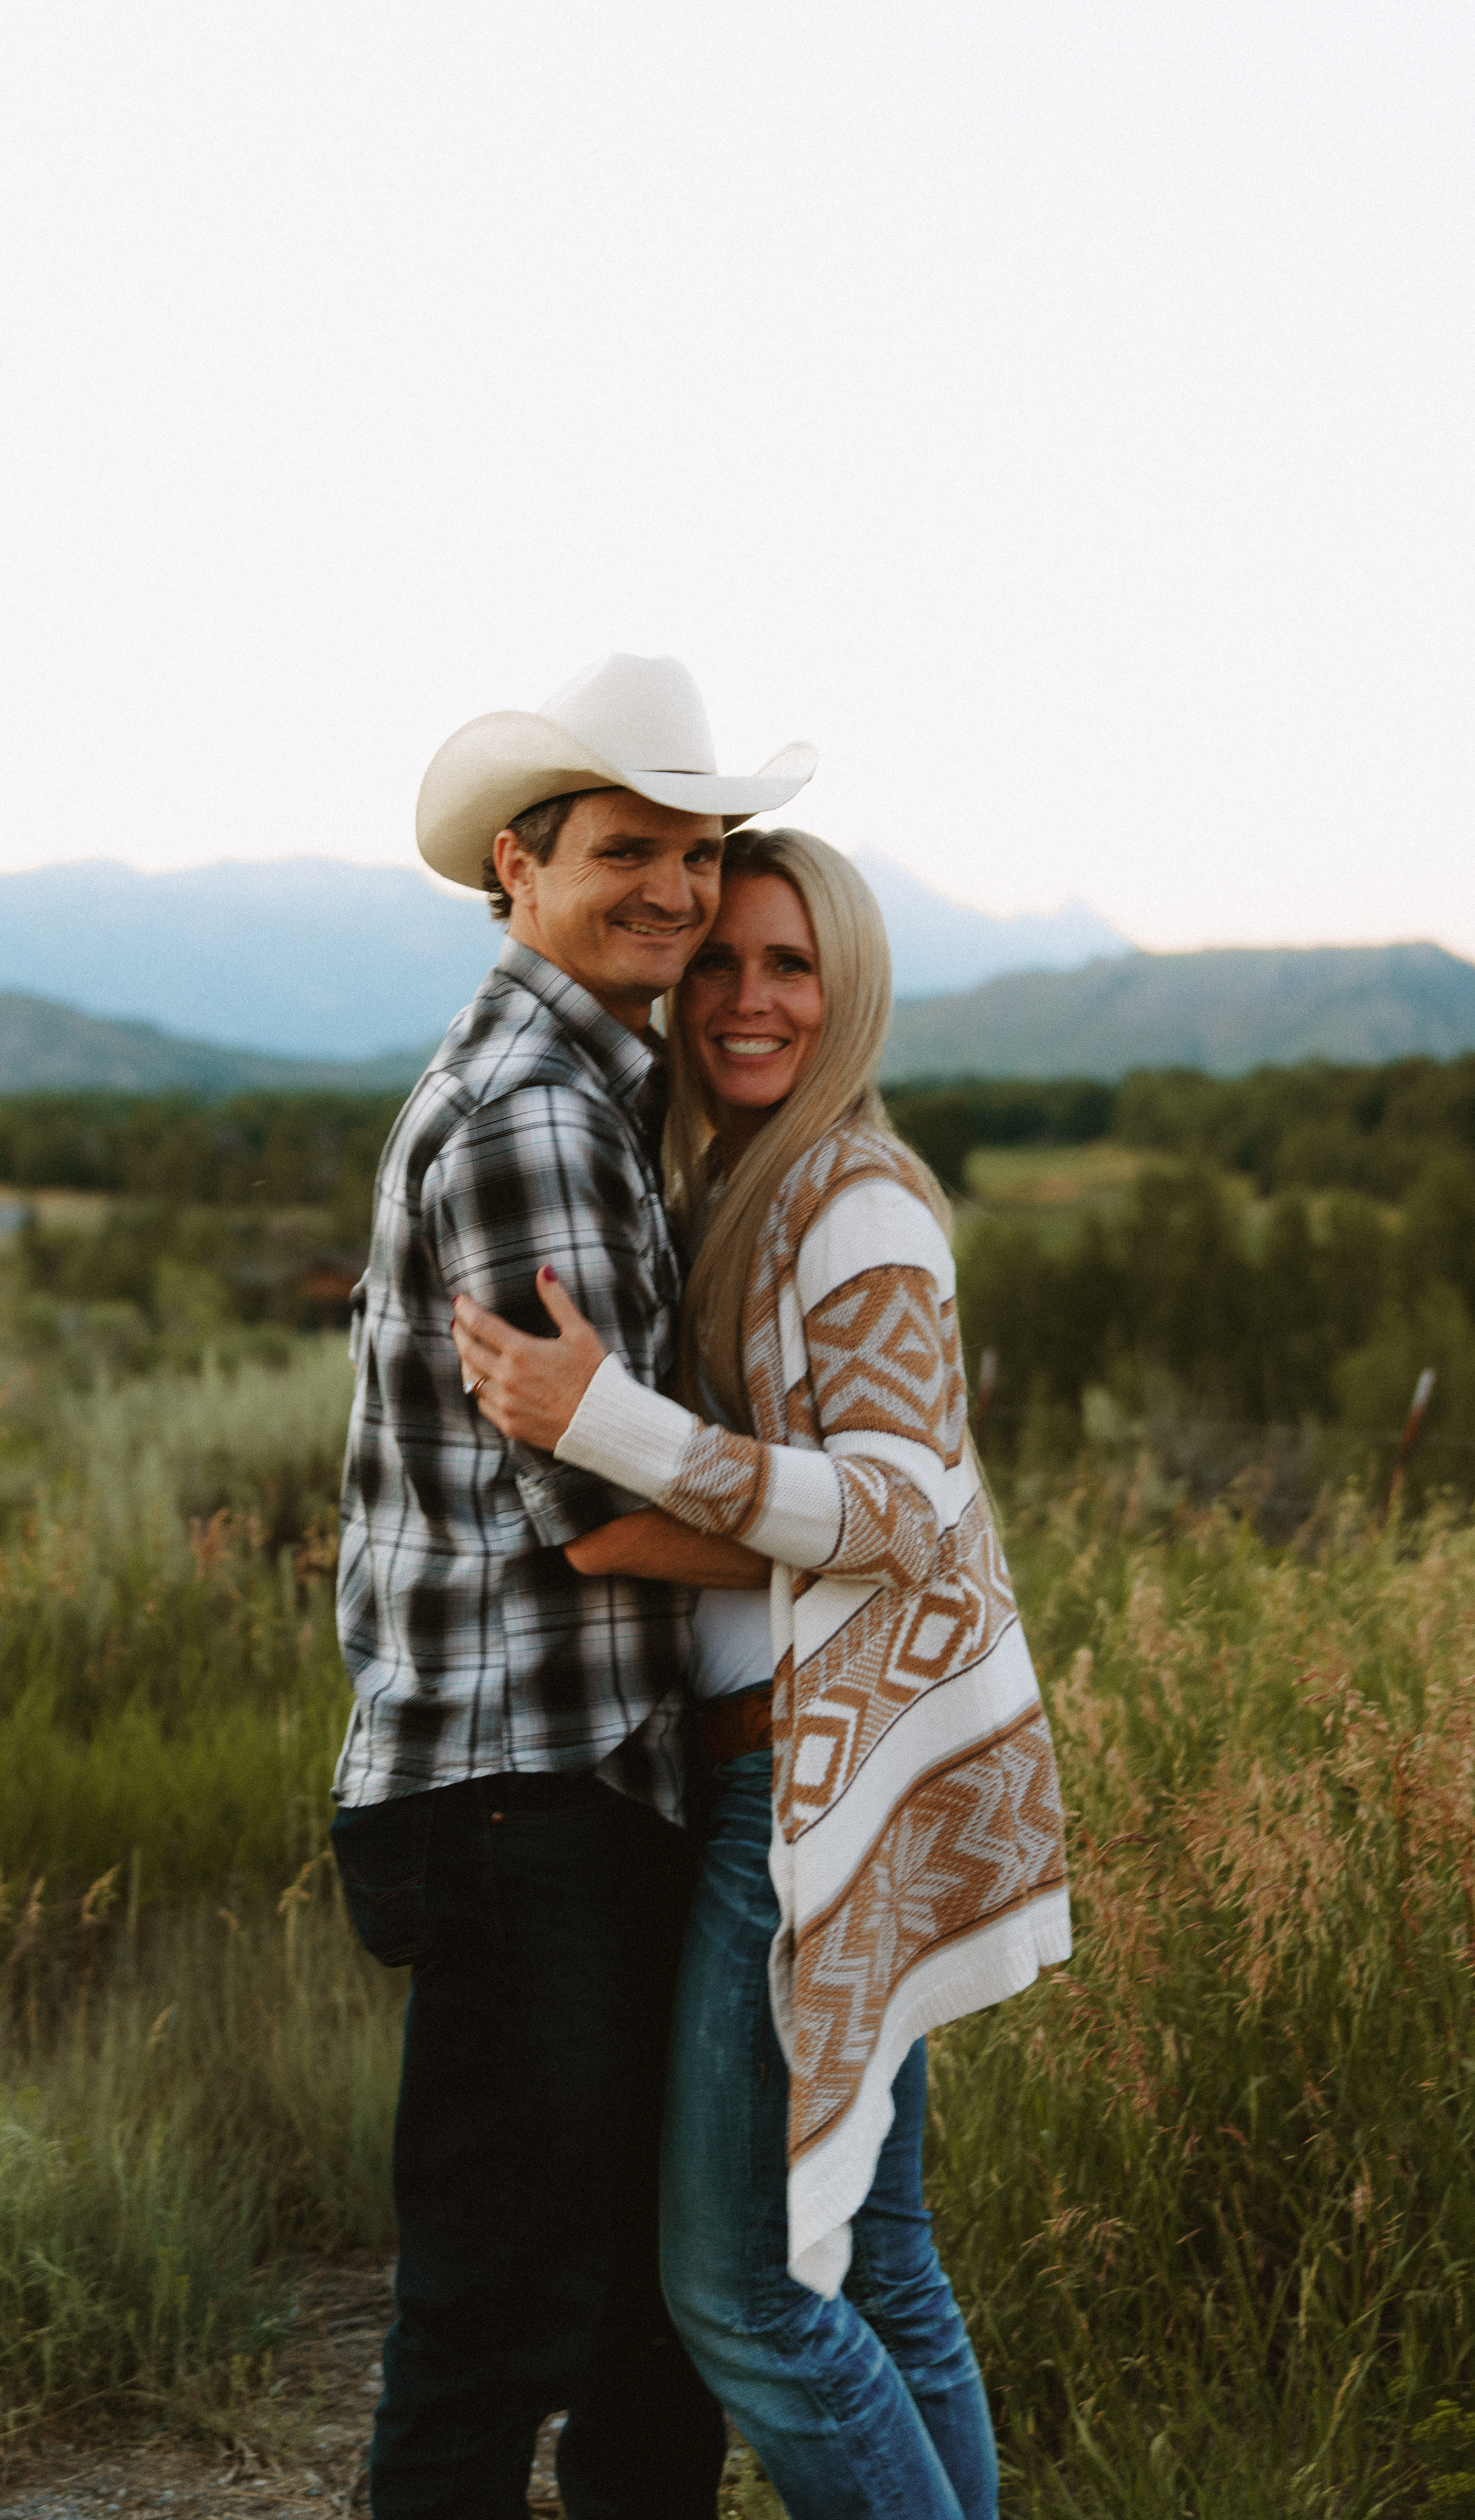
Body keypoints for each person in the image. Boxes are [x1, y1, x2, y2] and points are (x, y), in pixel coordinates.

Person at [452, 826, 1072, 2520]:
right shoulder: (738, 1183)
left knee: (745, 2294)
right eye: (719, 958)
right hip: (818, 1758)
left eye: (789, 964)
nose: (742, 994)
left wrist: (602, 1431)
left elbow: (895, 1514)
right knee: (877, 2261)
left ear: (848, 985)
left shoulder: (857, 1200)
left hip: (810, 1788)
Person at [330, 654, 815, 2520]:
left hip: (550, 1785)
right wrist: (885, 1537)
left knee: (626, 2313)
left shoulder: (581, 1089)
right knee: (502, 2317)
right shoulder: (538, 1110)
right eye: (629, 850)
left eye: (697, 854)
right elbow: (598, 1518)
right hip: (525, 1789)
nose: (679, 895)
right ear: (516, 870)